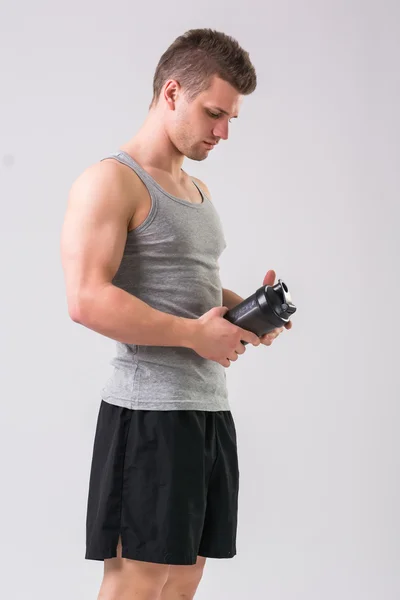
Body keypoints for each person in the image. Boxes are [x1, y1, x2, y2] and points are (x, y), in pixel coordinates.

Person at [60, 27, 291, 600]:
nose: (223, 131)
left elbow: (192, 289)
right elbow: (86, 298)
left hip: (207, 412)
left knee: (186, 577)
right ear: (171, 93)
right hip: (148, 416)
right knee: (137, 582)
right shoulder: (111, 181)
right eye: (214, 112)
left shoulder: (196, 189)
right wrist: (194, 336)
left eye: (231, 118)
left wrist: (241, 314)